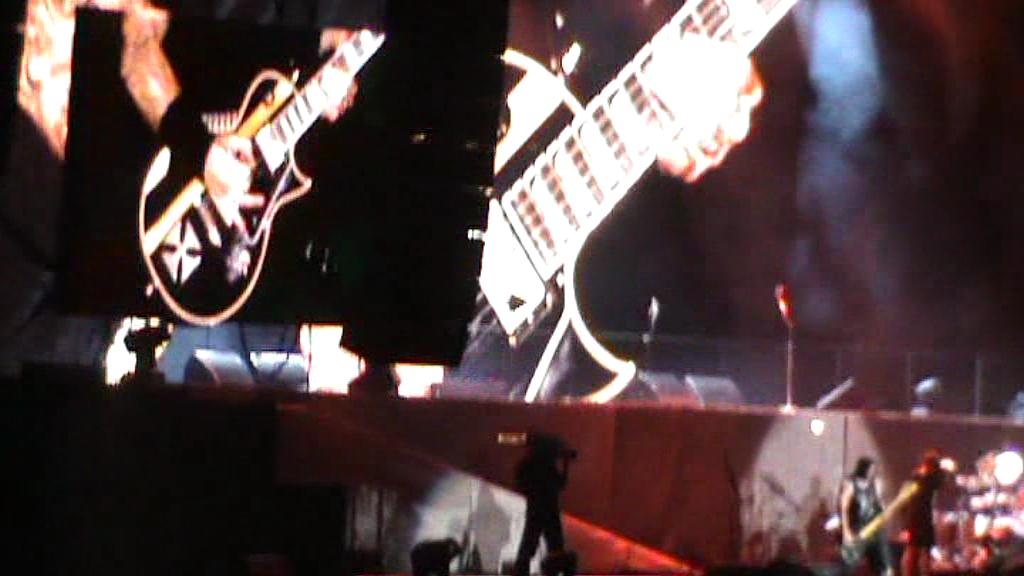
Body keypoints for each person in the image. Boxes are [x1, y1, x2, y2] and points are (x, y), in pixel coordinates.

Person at [512, 434, 575, 576]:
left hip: (537, 511)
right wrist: (565, 465)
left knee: (529, 547)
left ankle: (521, 572)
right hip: (548, 511)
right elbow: (560, 484)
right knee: (554, 547)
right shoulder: (545, 466)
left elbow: (522, 485)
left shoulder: (527, 465)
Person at [902, 449, 956, 576]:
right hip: (917, 519)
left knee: (919, 551)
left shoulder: (920, 478)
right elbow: (940, 480)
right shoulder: (924, 479)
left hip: (920, 519)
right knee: (914, 552)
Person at [839, 456, 895, 576]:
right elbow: (844, 508)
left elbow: (880, 503)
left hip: (876, 527)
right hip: (859, 527)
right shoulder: (851, 484)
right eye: (870, 469)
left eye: (874, 469)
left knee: (886, 565)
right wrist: (846, 531)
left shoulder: (875, 484)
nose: (872, 472)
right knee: (851, 563)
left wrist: (885, 512)